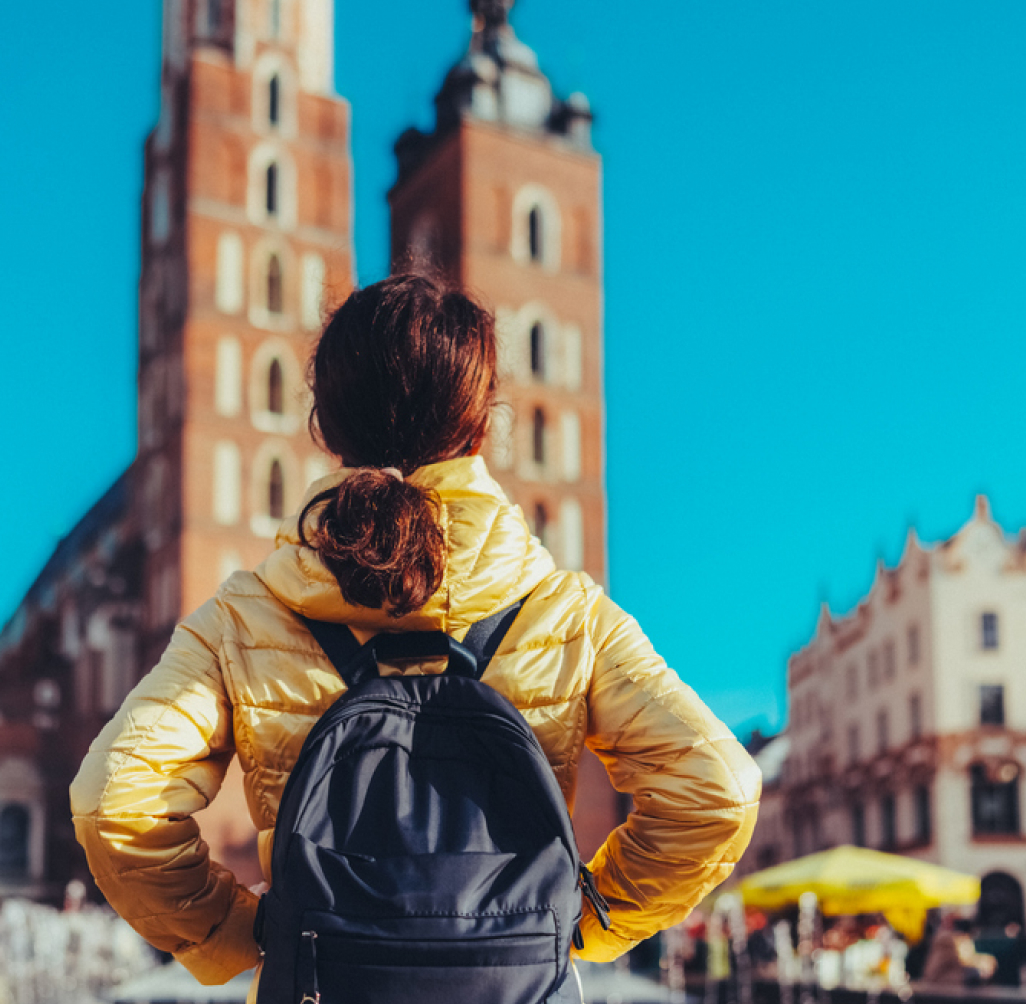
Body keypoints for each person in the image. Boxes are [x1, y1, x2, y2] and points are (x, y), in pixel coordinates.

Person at [71, 273, 762, 986]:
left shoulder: (244, 617)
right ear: (480, 424)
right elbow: (720, 789)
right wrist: (583, 917)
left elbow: (111, 802)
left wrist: (234, 933)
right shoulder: (568, 612)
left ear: (325, 426)